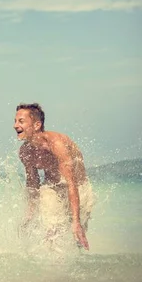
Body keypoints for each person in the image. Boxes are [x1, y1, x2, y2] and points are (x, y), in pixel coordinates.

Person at [14, 103, 95, 251]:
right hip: (52, 187)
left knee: (77, 233)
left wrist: (76, 222)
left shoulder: (57, 144)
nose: (15, 125)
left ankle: (78, 262)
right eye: (15, 121)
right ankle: (52, 267)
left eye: (21, 121)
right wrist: (30, 213)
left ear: (37, 125)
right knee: (51, 229)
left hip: (78, 188)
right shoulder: (25, 152)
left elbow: (72, 183)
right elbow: (33, 183)